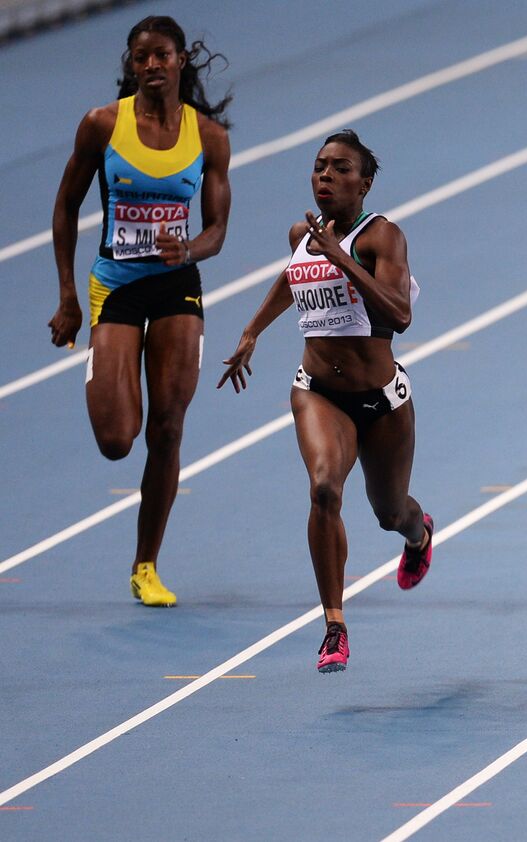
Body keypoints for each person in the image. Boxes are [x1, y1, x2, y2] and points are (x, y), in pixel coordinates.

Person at [218, 130, 432, 673]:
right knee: (323, 490)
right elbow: (292, 278)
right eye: (319, 167)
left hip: (382, 401)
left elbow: (399, 315)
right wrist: (252, 331)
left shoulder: (382, 237)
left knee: (390, 512)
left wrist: (341, 256)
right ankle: (334, 625)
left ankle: (420, 532)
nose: (326, 177)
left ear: (365, 182)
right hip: (319, 393)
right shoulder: (302, 233)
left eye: (340, 169)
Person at [48, 16, 232, 607]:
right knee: (117, 440)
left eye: (161, 55)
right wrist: (68, 296)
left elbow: (217, 229)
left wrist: (191, 247)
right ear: (131, 66)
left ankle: (146, 565)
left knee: (169, 426)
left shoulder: (209, 137)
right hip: (117, 287)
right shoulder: (103, 124)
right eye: (140, 57)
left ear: (182, 59)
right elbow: (65, 207)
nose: (150, 65)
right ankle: (104, 371)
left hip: (176, 286)